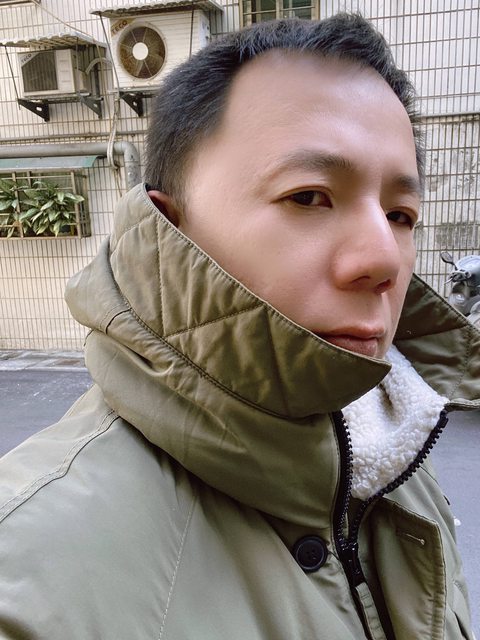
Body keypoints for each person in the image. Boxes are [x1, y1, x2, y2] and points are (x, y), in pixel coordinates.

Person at [0, 13, 478, 640]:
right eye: (308, 196)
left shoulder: (395, 451)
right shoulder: (29, 581)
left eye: (400, 214)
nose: (385, 260)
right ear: (171, 231)